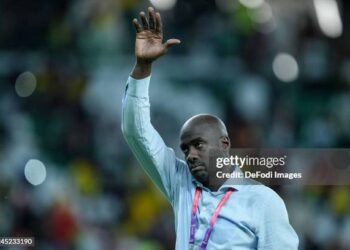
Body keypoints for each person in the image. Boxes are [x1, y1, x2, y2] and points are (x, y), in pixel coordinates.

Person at [122, 7, 299, 250]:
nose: (190, 155)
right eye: (185, 149)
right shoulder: (181, 183)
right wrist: (142, 68)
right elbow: (136, 132)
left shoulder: (263, 202)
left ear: (224, 144)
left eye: (198, 145)